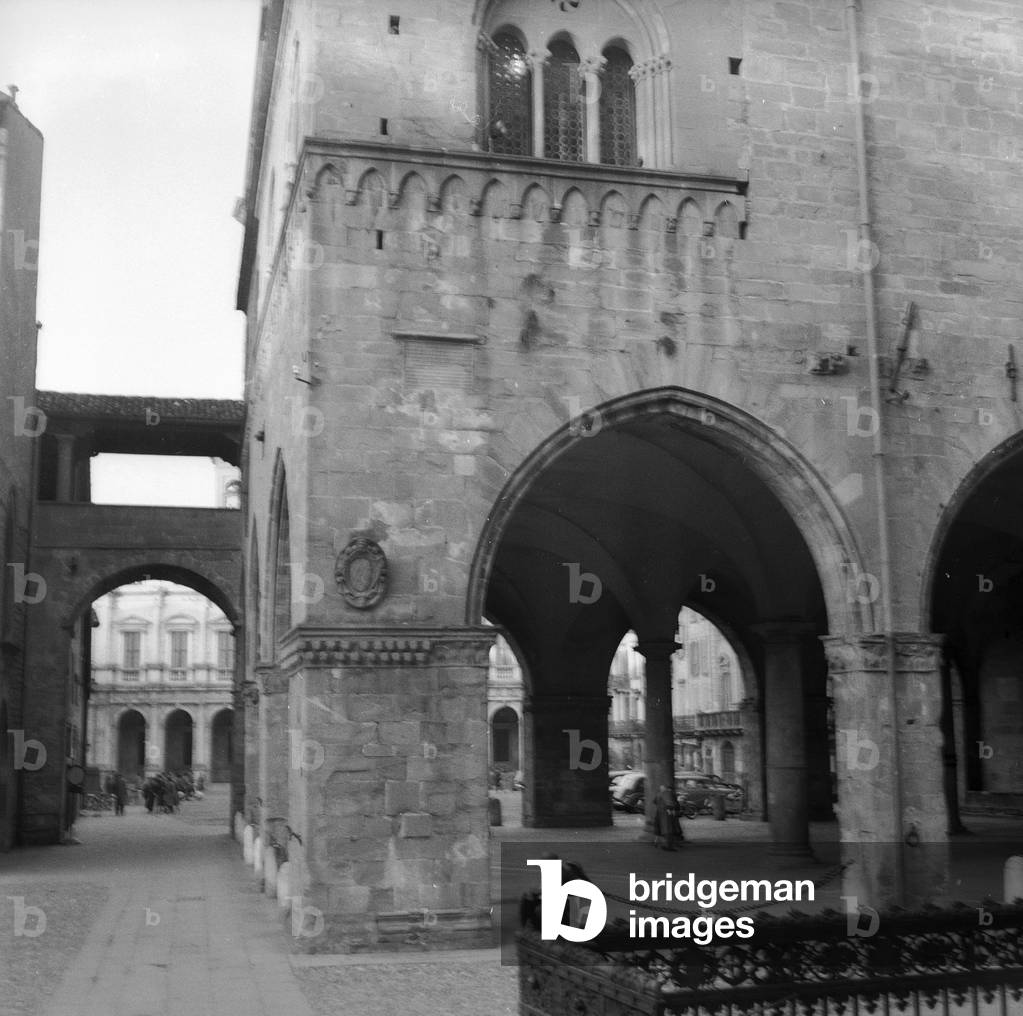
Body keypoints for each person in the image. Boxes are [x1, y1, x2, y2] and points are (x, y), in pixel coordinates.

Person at [653, 784, 680, 851]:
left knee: (660, 828)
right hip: (666, 814)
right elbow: (669, 803)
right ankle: (669, 846)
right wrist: (670, 810)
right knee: (668, 829)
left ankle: (657, 842)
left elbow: (654, 801)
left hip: (659, 813)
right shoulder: (667, 793)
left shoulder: (659, 794)